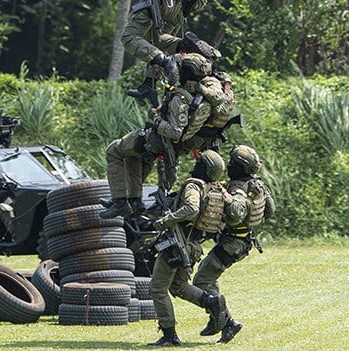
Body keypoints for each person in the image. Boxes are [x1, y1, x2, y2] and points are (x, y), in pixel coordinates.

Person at [100, 53, 218, 219]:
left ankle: (119, 202)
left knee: (113, 150)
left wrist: (156, 118)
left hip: (159, 140)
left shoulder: (181, 98)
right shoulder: (204, 96)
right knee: (134, 156)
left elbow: (175, 131)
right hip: (174, 145)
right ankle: (134, 201)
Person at [147, 150, 238, 346]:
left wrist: (167, 220)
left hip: (178, 242)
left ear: (203, 167)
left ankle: (169, 335)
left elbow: (191, 208)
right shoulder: (215, 189)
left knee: (157, 289)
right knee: (178, 286)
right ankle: (214, 305)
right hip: (192, 245)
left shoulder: (194, 186)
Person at [192, 145, 275, 343]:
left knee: (201, 281)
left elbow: (236, 213)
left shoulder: (237, 187)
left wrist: (227, 197)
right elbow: (270, 210)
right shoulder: (257, 184)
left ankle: (227, 322)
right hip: (242, 241)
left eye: (232, 163)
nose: (228, 166)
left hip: (232, 243)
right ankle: (223, 321)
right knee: (209, 277)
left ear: (240, 167)